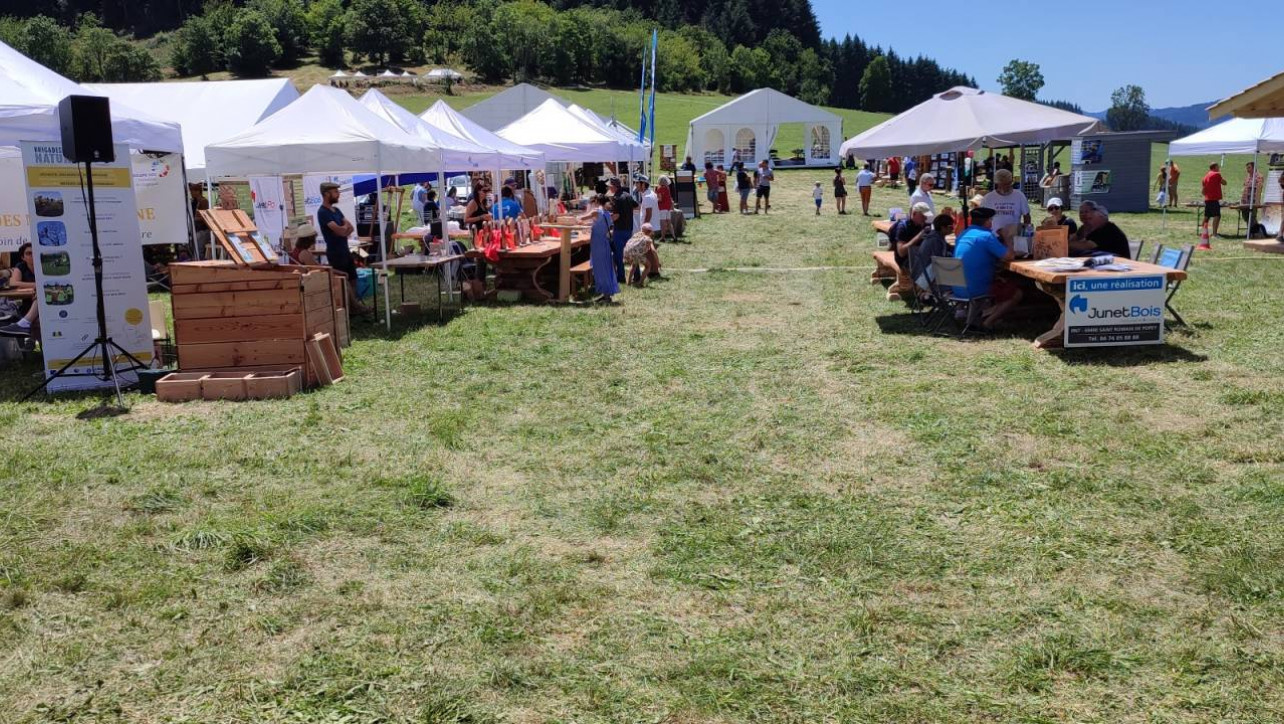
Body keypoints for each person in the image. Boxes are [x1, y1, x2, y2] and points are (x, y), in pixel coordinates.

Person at [951, 207, 1021, 330]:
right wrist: (1006, 237)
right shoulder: (986, 236)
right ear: (987, 221)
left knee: (999, 280)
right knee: (1017, 293)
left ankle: (978, 316)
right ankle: (988, 322)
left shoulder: (963, 234)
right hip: (975, 289)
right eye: (991, 220)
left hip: (957, 287)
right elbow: (1009, 256)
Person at [317, 182, 369, 313]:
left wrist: (342, 229)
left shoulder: (337, 210)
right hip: (335, 252)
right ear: (326, 194)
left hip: (345, 250)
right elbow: (341, 231)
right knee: (342, 280)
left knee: (353, 278)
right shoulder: (323, 212)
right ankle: (351, 307)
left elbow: (348, 228)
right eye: (335, 192)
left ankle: (353, 305)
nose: (338, 194)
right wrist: (342, 229)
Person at [583, 194, 619, 303]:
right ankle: (606, 294)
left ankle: (606, 295)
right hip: (604, 243)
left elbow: (581, 218)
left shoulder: (597, 212)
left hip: (598, 245)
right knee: (605, 269)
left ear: (597, 202)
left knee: (601, 270)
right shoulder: (607, 214)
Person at [981, 169, 1031, 240]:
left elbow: (1027, 216)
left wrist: (1026, 236)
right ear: (997, 183)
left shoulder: (1019, 195)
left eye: (1008, 184)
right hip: (994, 237)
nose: (1006, 187)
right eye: (1003, 184)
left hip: (1014, 236)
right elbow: (982, 218)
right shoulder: (988, 198)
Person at [912, 212, 956, 294]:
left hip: (926, 276)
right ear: (943, 228)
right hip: (924, 280)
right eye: (951, 227)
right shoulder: (935, 240)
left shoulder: (937, 237)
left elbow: (950, 248)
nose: (953, 229)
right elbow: (940, 263)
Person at [608, 178, 637, 283]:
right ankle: (636, 275)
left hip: (619, 230)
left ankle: (621, 277)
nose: (609, 188)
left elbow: (616, 216)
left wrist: (607, 219)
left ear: (614, 186)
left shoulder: (616, 198)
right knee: (632, 253)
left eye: (610, 186)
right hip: (629, 228)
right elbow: (636, 205)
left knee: (619, 255)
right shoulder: (628, 195)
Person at [894, 202, 931, 274]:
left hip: (919, 258)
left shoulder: (923, 226)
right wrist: (919, 236)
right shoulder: (903, 227)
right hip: (906, 261)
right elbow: (901, 252)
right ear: (914, 213)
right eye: (923, 216)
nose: (925, 218)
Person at [1201, 162, 1227, 245]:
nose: (1219, 168)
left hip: (1207, 199)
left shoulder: (1205, 176)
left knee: (1207, 216)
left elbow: (1203, 190)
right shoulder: (1217, 174)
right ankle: (1215, 234)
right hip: (1214, 199)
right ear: (1215, 167)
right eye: (1218, 166)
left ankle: (1203, 232)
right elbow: (1224, 183)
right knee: (1217, 216)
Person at [1241, 161, 1265, 231]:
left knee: (1252, 217)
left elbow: (1259, 189)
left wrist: (1257, 201)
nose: (1247, 169)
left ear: (1254, 168)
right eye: (1247, 168)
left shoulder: (1259, 177)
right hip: (1245, 201)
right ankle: (1252, 231)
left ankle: (1254, 232)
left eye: (1249, 168)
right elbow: (1244, 187)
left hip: (1253, 201)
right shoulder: (1247, 177)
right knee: (1246, 217)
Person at [656, 176, 675, 242]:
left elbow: (660, 199)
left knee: (662, 223)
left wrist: (656, 199)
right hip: (668, 207)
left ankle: (663, 237)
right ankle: (674, 236)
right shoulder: (667, 188)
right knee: (669, 223)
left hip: (662, 207)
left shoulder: (659, 189)